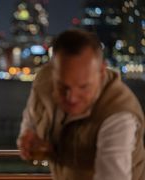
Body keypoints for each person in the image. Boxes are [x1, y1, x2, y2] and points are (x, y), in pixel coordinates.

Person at [17, 29, 145, 180]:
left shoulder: (118, 115)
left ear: (101, 72)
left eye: (83, 87)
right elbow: (30, 123)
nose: (72, 98)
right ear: (54, 71)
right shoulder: (44, 80)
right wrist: (31, 141)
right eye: (63, 87)